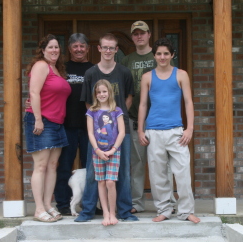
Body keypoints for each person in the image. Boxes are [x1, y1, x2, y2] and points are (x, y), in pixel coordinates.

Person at [75, 33, 138, 222]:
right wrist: (99, 120)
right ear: (99, 49)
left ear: (117, 50)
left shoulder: (124, 73)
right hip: (97, 133)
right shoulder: (91, 74)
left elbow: (129, 98)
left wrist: (115, 117)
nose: (108, 51)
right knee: (94, 171)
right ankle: (87, 211)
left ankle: (124, 211)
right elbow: (88, 102)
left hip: (120, 130)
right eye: (105, 47)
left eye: (112, 48)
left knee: (123, 171)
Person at [138, 38, 200, 223]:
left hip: (176, 131)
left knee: (182, 172)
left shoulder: (181, 75)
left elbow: (188, 102)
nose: (162, 57)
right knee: (158, 175)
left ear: (172, 55)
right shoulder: (147, 77)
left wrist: (190, 128)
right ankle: (164, 209)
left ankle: (186, 211)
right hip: (154, 131)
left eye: (166, 53)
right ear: (154, 55)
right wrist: (141, 131)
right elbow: (142, 104)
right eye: (159, 53)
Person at [121, 21, 177, 214]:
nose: (139, 36)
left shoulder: (160, 56)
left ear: (149, 35)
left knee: (164, 164)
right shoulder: (127, 61)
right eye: (135, 33)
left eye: (142, 33)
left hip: (160, 121)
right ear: (132, 37)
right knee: (136, 164)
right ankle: (137, 202)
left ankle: (169, 201)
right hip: (134, 118)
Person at [23, 34, 71, 222]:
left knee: (52, 166)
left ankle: (48, 205)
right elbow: (34, 92)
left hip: (57, 123)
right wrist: (37, 119)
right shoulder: (41, 66)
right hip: (42, 121)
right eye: (50, 47)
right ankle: (39, 209)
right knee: (41, 166)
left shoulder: (56, 69)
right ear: (43, 50)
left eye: (57, 47)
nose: (54, 50)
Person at [53, 33, 94, 216]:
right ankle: (63, 203)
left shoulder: (94, 69)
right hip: (66, 125)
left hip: (90, 127)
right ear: (69, 49)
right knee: (64, 166)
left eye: (82, 46)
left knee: (91, 168)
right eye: (75, 46)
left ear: (87, 48)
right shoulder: (61, 69)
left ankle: (90, 204)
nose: (79, 49)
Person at [86, 79, 125, 226]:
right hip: (98, 152)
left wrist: (113, 149)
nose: (102, 94)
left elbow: (121, 132)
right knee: (101, 182)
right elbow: (90, 133)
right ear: (95, 94)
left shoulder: (116, 111)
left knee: (110, 182)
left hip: (114, 152)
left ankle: (113, 212)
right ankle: (105, 213)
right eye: (99, 92)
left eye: (104, 91)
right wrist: (97, 150)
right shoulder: (92, 111)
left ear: (109, 92)